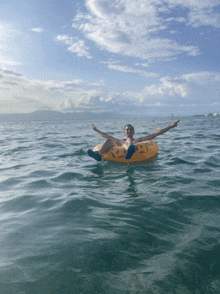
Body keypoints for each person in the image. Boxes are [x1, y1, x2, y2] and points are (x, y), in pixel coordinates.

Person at [87, 120, 180, 161]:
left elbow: (155, 133)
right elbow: (105, 135)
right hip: (122, 148)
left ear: (134, 132)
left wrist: (170, 127)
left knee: (130, 141)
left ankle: (130, 151)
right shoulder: (120, 141)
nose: (129, 131)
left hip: (133, 147)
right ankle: (98, 154)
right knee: (108, 139)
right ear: (124, 132)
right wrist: (96, 130)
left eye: (131, 129)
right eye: (127, 129)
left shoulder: (139, 140)